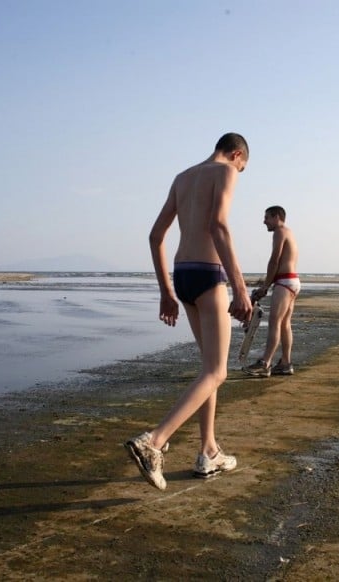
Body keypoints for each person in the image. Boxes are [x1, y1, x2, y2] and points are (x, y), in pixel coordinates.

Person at [125, 133, 253, 491]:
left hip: (182, 275)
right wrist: (240, 289)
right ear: (237, 154)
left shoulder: (182, 177)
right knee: (217, 371)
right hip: (209, 275)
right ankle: (153, 442)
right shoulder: (225, 171)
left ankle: (208, 451)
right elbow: (219, 226)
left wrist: (166, 290)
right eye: (242, 167)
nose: (239, 172)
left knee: (208, 369)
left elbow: (155, 236)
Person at [244, 205, 300, 378]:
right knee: (285, 324)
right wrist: (267, 283)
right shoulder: (289, 232)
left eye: (267, 217)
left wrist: (265, 287)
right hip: (292, 281)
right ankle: (285, 363)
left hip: (284, 282)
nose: (264, 221)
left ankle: (265, 363)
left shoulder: (280, 232)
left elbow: (274, 261)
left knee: (275, 323)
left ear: (276, 217)